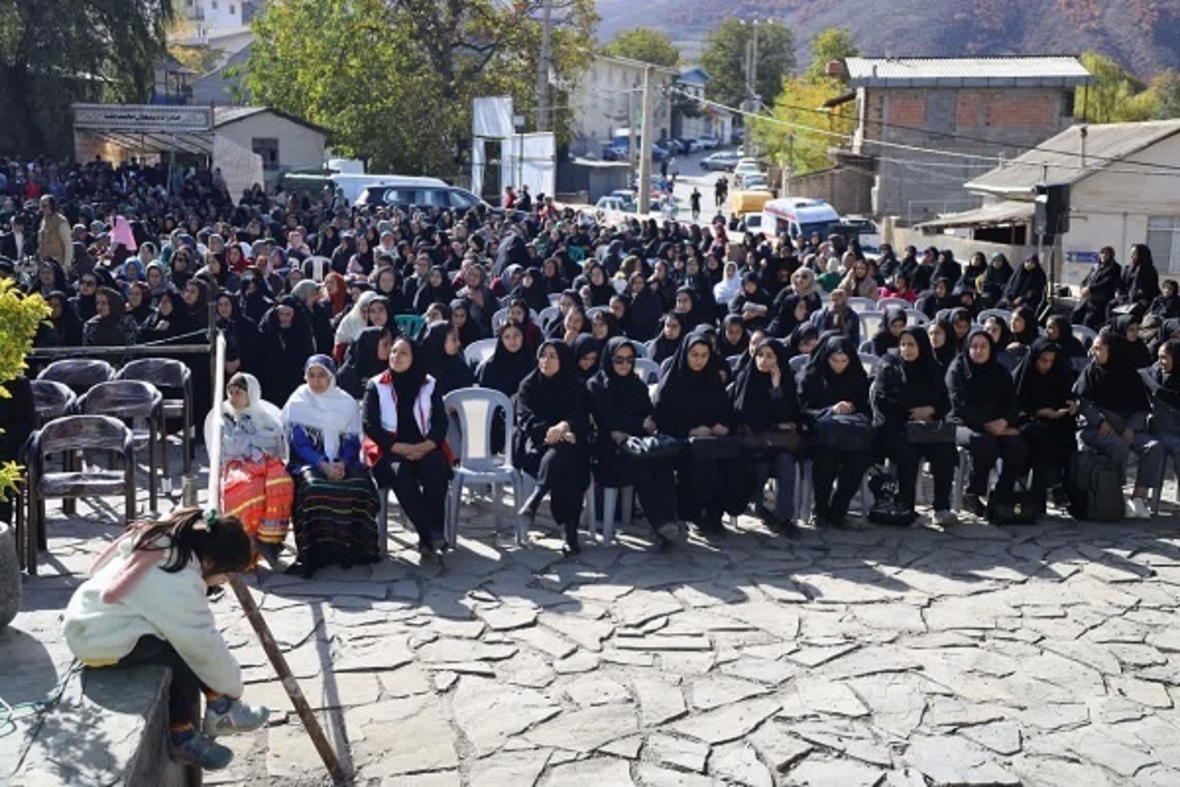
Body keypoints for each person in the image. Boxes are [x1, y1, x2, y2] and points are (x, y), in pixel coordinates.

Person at [63, 509, 269, 770]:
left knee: (177, 642)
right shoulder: (176, 578)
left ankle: (221, 709)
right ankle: (185, 735)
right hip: (98, 639)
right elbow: (203, 644)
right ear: (211, 561)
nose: (224, 582)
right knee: (182, 651)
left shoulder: (166, 549)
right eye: (226, 576)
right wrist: (233, 688)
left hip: (93, 626)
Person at [281, 356, 380, 577]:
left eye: (321, 375)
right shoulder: (298, 401)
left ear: (332, 376)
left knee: (361, 487)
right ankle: (315, 553)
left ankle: (355, 550)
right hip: (309, 462)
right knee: (313, 487)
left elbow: (353, 442)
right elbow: (299, 444)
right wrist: (323, 464)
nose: (316, 381)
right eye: (311, 376)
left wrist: (343, 463)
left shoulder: (346, 402)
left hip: (344, 462)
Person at [363, 337, 453, 557]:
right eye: (393, 352)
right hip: (389, 450)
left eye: (403, 353)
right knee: (400, 473)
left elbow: (441, 421)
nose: (396, 357)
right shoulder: (377, 385)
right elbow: (370, 424)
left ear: (415, 357)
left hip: (424, 445)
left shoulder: (428, 383)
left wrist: (428, 444)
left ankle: (427, 539)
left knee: (436, 467)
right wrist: (398, 447)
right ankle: (431, 533)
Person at [587, 337, 680, 547]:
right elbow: (606, 421)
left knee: (662, 462)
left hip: (636, 444)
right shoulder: (597, 385)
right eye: (619, 360)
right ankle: (659, 523)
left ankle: (668, 519)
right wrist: (635, 425)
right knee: (640, 464)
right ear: (609, 359)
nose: (624, 365)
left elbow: (648, 417)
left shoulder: (635, 384)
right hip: (607, 452)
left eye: (629, 360)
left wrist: (628, 429)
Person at [653, 329, 744, 537]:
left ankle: (715, 514)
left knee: (735, 462)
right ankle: (694, 513)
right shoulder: (673, 381)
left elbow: (726, 410)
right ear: (685, 354)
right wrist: (690, 430)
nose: (699, 361)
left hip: (712, 440)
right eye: (694, 355)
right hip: (682, 440)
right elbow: (663, 418)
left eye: (704, 356)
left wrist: (723, 426)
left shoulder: (711, 379)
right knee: (704, 465)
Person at [205, 373, 294, 565]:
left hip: (264, 463)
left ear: (251, 394)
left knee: (281, 481)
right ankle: (245, 547)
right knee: (249, 487)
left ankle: (268, 539)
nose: (233, 397)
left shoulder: (264, 416)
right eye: (231, 392)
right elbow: (229, 447)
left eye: (239, 392)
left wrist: (250, 443)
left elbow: (275, 442)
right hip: (236, 464)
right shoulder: (224, 417)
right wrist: (254, 444)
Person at [872, 327, 957, 524]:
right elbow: (882, 401)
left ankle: (941, 507)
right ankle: (906, 507)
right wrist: (909, 414)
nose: (906, 349)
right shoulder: (890, 369)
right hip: (897, 427)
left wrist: (931, 410)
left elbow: (946, 401)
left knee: (945, 448)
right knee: (907, 451)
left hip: (928, 427)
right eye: (902, 344)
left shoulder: (934, 369)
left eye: (911, 344)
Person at [1074, 330, 1162, 519]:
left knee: (1153, 447)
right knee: (1118, 445)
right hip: (1096, 428)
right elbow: (1082, 401)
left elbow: (1141, 407)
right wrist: (1100, 421)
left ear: (1112, 351)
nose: (1093, 352)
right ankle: (1114, 492)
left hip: (1127, 425)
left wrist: (1131, 427)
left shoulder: (1129, 375)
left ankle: (1138, 496)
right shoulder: (1091, 372)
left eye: (1099, 349)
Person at [515, 341, 592, 555]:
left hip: (568, 444)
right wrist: (552, 431)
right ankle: (570, 532)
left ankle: (537, 497)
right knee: (566, 457)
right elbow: (524, 419)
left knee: (566, 455)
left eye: (552, 356)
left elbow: (581, 417)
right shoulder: (528, 385)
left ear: (563, 360)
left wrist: (565, 426)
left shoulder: (575, 386)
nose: (546, 361)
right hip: (536, 446)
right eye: (543, 355)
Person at [946, 329, 1030, 517]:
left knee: (1017, 444)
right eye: (974, 347)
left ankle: (1002, 493)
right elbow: (959, 405)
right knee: (984, 443)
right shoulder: (958, 369)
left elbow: (1012, 402)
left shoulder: (999, 371)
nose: (978, 351)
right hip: (963, 423)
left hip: (997, 424)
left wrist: (1004, 421)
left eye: (983, 346)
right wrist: (989, 425)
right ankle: (973, 492)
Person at [730, 338, 803, 536]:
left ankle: (784, 518)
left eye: (769, 356)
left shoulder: (786, 380)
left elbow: (789, 415)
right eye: (760, 355)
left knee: (786, 464)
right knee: (759, 467)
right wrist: (773, 424)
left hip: (778, 444)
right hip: (752, 444)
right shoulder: (747, 378)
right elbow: (743, 414)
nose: (763, 361)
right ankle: (759, 507)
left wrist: (776, 388)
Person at [799, 336, 873, 528]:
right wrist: (830, 410)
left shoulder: (857, 376)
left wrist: (852, 407)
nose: (839, 366)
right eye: (834, 361)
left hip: (851, 436)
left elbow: (867, 407)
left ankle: (839, 510)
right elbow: (801, 410)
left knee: (859, 461)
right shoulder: (812, 376)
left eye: (844, 361)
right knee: (825, 460)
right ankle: (821, 510)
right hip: (820, 436)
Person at [1014, 338, 1078, 512]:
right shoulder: (1024, 375)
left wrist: (1071, 406)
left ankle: (1060, 487)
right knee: (1040, 435)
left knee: (1065, 437)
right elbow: (1017, 406)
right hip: (1027, 422)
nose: (1047, 365)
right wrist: (1041, 413)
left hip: (1054, 420)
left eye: (1051, 361)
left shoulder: (1058, 373)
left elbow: (1066, 396)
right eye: (1043, 361)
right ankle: (1055, 484)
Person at [1072, 246, 1122, 330]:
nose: (1104, 256)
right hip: (1087, 299)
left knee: (1088, 322)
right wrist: (1082, 288)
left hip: (1099, 301)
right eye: (1102, 253)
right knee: (1075, 316)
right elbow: (1086, 280)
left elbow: (1106, 283)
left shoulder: (1114, 267)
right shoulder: (1096, 267)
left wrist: (1090, 289)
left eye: (1107, 254)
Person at [37, 194, 73, 270]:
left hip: (58, 264)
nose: (41, 209)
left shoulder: (61, 221)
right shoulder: (43, 221)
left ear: (51, 206)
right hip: (45, 263)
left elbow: (68, 244)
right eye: (41, 206)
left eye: (44, 206)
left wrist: (67, 265)